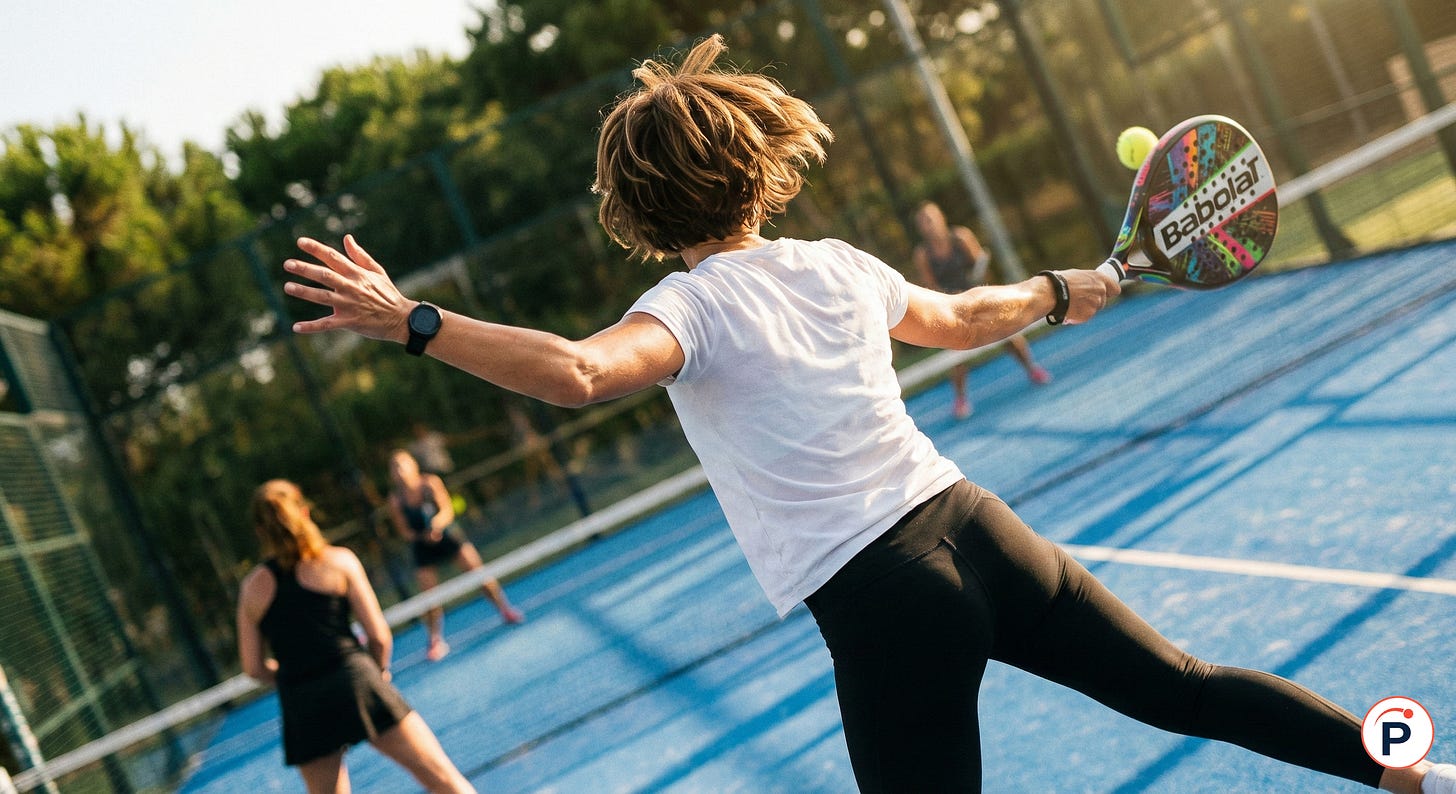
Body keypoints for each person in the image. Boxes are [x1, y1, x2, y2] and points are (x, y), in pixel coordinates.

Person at [281, 35, 1455, 794]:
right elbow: (957, 316)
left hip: (884, 598)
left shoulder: (684, 307)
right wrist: (1054, 290)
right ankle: (1402, 768)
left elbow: (578, 373)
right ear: (750, 163)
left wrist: (412, 321)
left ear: (635, 203)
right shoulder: (833, 260)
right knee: (1189, 685)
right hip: (980, 528)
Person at [235, 480, 475, 794]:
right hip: (356, 681)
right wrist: (378, 673)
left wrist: (294, 673)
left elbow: (253, 668)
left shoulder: (252, 588)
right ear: (305, 513)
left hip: (302, 703)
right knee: (443, 780)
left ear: (259, 531)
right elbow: (379, 637)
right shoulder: (339, 561)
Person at [912, 200, 1051, 419]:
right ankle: (960, 400)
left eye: (930, 218)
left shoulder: (961, 237)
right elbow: (930, 287)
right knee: (957, 355)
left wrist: (974, 293)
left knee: (1010, 336)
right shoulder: (923, 254)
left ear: (941, 217)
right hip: (950, 307)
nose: (927, 224)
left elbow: (980, 265)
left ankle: (1032, 369)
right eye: (922, 222)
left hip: (979, 298)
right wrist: (954, 300)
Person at [386, 448, 524, 661]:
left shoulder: (430, 483)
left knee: (480, 576)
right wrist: (422, 536)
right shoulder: (396, 500)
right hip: (422, 546)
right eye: (395, 467)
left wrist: (436, 526)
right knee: (429, 598)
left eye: (402, 465)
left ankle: (505, 609)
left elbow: (447, 509)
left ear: (413, 465)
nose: (399, 471)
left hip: (448, 536)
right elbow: (403, 531)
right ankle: (435, 640)